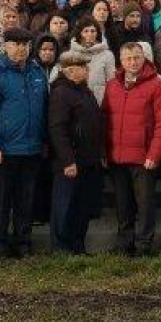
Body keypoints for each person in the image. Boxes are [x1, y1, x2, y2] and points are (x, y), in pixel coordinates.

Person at [0, 27, 49, 257]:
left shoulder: (38, 72)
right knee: (1, 200)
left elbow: (45, 109)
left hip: (31, 149)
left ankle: (23, 242)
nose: (21, 49)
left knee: (26, 199)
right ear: (6, 46)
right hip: (4, 149)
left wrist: (44, 141)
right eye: (16, 44)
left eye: (25, 45)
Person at [104, 41, 161, 256]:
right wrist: (104, 151)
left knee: (145, 205)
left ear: (144, 58)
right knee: (123, 204)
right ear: (121, 61)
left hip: (144, 157)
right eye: (128, 59)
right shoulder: (112, 85)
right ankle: (124, 242)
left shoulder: (157, 85)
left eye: (136, 57)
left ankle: (144, 244)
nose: (132, 62)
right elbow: (105, 120)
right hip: (117, 156)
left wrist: (155, 154)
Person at [47, 49, 107, 255]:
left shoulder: (84, 91)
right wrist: (67, 160)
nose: (87, 70)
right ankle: (61, 247)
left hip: (88, 160)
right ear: (70, 71)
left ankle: (77, 245)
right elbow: (57, 128)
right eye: (83, 67)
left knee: (82, 206)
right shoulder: (61, 92)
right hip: (70, 162)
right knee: (64, 205)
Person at [57, 17, 117, 103]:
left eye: (93, 31)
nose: (90, 34)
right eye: (86, 31)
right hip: (75, 102)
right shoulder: (70, 54)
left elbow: (112, 82)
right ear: (79, 34)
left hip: (99, 102)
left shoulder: (107, 55)